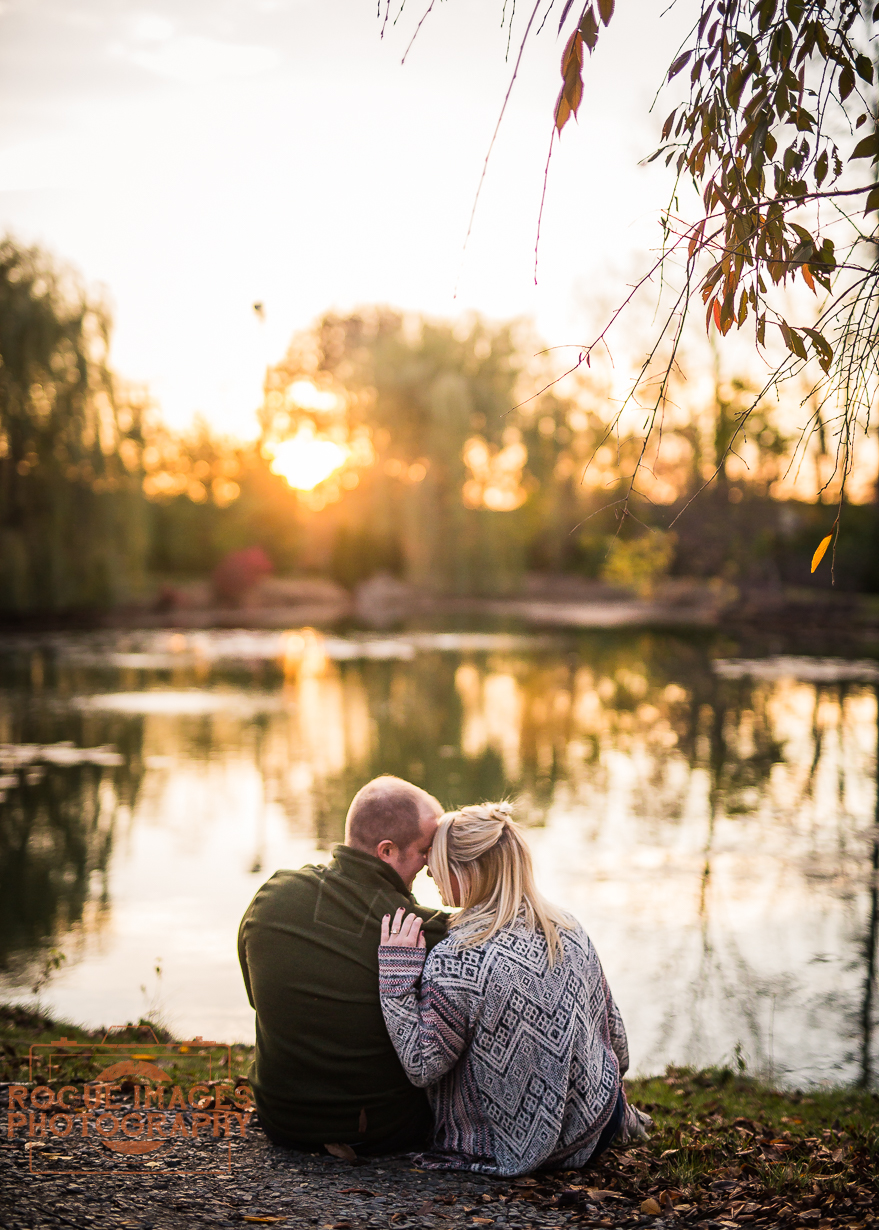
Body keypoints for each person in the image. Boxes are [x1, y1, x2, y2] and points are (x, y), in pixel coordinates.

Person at [377, 801, 650, 1175]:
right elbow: (616, 1041)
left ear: (467, 872)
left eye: (437, 867)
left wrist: (396, 977)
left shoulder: (456, 958)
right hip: (598, 1125)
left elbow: (422, 1066)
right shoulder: (568, 928)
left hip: (521, 1148)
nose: (430, 876)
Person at [238, 775, 448, 1154]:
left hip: (282, 1122)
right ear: (386, 851)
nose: (431, 863)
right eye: (425, 850)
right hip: (386, 1131)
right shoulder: (417, 929)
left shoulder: (271, 896)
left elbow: (257, 999)